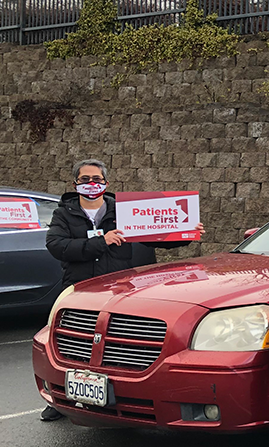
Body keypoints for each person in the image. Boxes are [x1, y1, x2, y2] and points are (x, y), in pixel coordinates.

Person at [42, 159, 204, 421]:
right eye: (85, 179)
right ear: (75, 184)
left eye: (97, 179)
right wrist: (100, 242)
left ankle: (120, 397)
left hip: (121, 293)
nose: (91, 184)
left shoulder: (124, 210)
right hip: (82, 294)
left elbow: (157, 235)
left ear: (106, 183)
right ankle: (59, 399)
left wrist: (185, 232)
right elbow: (57, 245)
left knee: (116, 351)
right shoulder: (64, 213)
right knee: (73, 347)